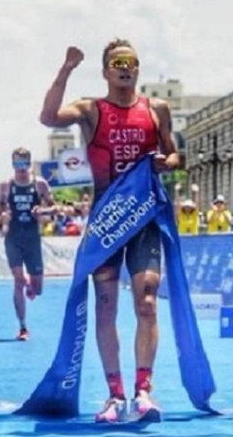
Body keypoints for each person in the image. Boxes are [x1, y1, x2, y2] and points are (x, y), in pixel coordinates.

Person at [39, 40, 179, 423]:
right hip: (106, 220)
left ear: (138, 68)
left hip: (144, 219)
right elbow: (48, 117)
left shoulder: (156, 109)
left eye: (131, 62)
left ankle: (144, 392)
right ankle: (114, 396)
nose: (124, 67)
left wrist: (168, 162)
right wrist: (66, 68)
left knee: (147, 302)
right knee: (105, 306)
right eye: (116, 62)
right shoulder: (90, 110)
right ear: (105, 71)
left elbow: (175, 153)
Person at [0, 147, 54, 341]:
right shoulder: (6, 185)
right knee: (18, 280)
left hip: (32, 238)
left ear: (30, 164)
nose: (21, 169)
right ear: (12, 165)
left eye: (24, 164)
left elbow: (53, 207)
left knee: (37, 289)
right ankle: (22, 327)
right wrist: (3, 214)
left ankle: (31, 284)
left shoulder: (40, 185)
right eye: (17, 164)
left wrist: (43, 211)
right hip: (13, 237)